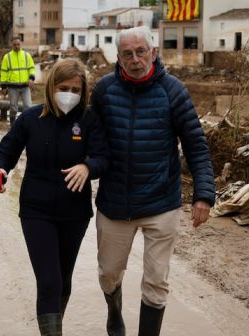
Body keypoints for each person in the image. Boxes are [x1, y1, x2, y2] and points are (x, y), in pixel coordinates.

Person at [90, 26, 215, 336]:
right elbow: (89, 140)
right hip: (115, 203)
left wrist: (204, 195)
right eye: (127, 54)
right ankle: (114, 312)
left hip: (161, 202)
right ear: (118, 58)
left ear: (154, 52)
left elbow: (195, 145)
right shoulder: (104, 91)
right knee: (108, 273)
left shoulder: (173, 91)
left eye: (141, 52)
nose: (135, 59)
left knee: (156, 281)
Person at [0, 58, 108, 336]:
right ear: (51, 86)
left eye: (76, 90)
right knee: (49, 280)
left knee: (63, 279)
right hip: (36, 211)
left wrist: (88, 166)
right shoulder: (30, 120)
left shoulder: (89, 121)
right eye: (64, 87)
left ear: (84, 92)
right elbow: (5, 152)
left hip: (75, 213)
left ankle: (55, 327)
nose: (69, 94)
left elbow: (104, 158)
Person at [0, 36, 36, 124]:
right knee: (13, 108)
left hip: (25, 86)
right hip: (13, 87)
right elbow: (3, 72)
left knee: (28, 106)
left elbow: (31, 68)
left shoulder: (26, 55)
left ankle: (25, 124)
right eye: (15, 44)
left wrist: (31, 79)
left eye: (18, 44)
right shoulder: (7, 57)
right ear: (12, 45)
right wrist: (4, 87)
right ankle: (12, 125)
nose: (17, 46)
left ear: (21, 44)